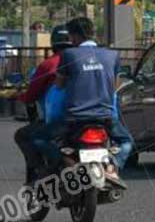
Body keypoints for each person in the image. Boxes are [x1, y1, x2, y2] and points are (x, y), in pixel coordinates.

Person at [38, 17, 133, 185]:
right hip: (105, 117)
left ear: (74, 36)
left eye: (70, 36)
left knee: (39, 139)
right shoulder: (112, 55)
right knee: (126, 142)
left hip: (74, 118)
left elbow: (59, 85)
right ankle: (112, 169)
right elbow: (114, 85)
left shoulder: (69, 54)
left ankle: (63, 164)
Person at [14, 27, 71, 181]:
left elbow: (31, 96)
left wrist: (18, 96)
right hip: (95, 116)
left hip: (58, 120)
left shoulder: (49, 65)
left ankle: (41, 170)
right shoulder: (85, 62)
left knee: (24, 136)